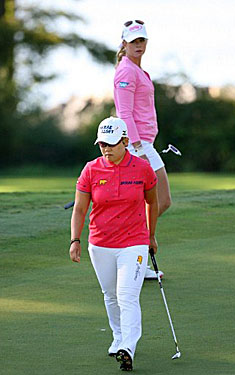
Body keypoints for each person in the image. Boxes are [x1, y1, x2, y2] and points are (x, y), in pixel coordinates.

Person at [69, 116, 158, 371]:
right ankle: (118, 336)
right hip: (100, 243)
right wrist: (75, 239)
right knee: (110, 295)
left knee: (127, 295)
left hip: (134, 242)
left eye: (111, 143)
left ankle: (127, 347)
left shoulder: (142, 168)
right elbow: (79, 209)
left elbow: (153, 202)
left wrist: (151, 235)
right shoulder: (91, 169)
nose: (106, 149)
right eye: (101, 144)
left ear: (126, 141)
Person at [114, 20, 171, 280]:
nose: (139, 45)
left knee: (155, 203)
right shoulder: (126, 71)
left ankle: (129, 245)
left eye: (142, 41)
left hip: (145, 143)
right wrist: (136, 146)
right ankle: (131, 248)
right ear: (124, 43)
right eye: (134, 41)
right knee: (156, 201)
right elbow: (124, 112)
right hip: (138, 145)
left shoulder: (138, 70)